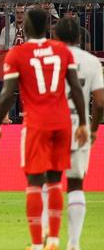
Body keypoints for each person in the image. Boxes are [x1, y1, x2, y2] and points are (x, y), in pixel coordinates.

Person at [0, 8, 89, 250]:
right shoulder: (62, 50)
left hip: (36, 123)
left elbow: (7, 93)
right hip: (63, 123)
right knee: (56, 180)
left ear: (27, 27)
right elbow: (75, 88)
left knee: (34, 182)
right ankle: (54, 239)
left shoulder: (18, 54)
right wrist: (84, 124)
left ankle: (37, 244)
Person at [53, 16, 103, 250]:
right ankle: (74, 244)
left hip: (50, 125)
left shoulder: (49, 60)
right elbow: (100, 102)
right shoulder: (93, 62)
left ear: (56, 37)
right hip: (77, 125)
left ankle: (47, 240)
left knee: (49, 182)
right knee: (75, 183)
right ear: (80, 38)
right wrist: (92, 130)